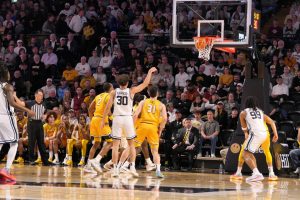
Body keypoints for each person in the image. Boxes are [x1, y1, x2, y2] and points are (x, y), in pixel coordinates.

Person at [101, 67, 157, 177]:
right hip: (127, 119)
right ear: (127, 82)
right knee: (132, 145)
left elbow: (107, 108)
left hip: (117, 118)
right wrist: (150, 72)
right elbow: (145, 84)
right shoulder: (131, 91)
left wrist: (103, 120)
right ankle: (132, 167)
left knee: (116, 146)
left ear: (118, 83)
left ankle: (116, 169)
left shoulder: (113, 92)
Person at [0, 64, 35, 182]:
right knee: (14, 143)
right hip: (7, 117)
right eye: (9, 72)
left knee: (0, 143)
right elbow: (12, 103)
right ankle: (7, 169)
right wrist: (27, 111)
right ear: (5, 74)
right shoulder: (8, 86)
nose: (10, 74)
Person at [239, 96, 279, 182]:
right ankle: (257, 172)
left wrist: (246, 133)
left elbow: (244, 127)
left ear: (246, 104)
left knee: (245, 154)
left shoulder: (243, 113)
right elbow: (272, 122)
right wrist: (275, 134)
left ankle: (256, 173)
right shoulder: (260, 112)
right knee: (250, 153)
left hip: (255, 133)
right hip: (265, 134)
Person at [133, 86, 167, 178]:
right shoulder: (161, 105)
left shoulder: (143, 102)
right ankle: (158, 171)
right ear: (158, 94)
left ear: (148, 93)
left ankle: (128, 166)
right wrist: (160, 130)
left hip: (142, 126)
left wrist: (132, 126)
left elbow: (135, 114)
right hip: (153, 127)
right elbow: (164, 118)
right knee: (155, 151)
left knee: (133, 147)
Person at [83, 83, 114, 173]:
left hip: (94, 120)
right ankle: (96, 160)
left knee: (96, 143)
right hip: (102, 120)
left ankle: (88, 165)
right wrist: (112, 118)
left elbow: (89, 109)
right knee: (111, 142)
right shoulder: (109, 96)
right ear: (110, 89)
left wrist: (92, 119)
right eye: (112, 87)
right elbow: (107, 110)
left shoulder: (98, 96)